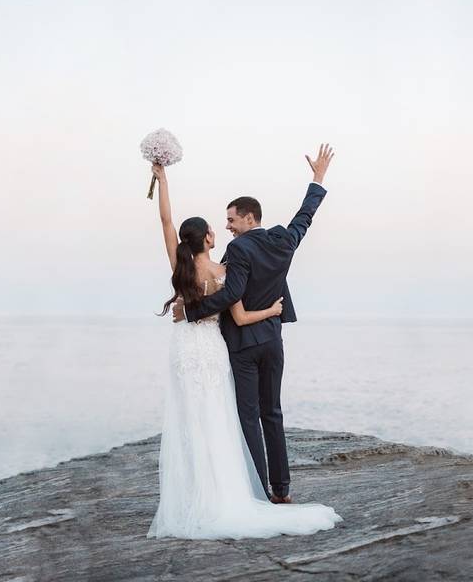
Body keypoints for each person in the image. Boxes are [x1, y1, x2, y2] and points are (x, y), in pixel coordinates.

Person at [146, 157, 340, 540]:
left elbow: (168, 226)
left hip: (214, 345)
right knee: (266, 413)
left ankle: (241, 489)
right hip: (260, 340)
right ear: (207, 238)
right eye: (221, 224)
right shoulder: (272, 245)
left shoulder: (220, 260)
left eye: (232, 219)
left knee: (229, 417)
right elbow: (305, 216)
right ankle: (278, 489)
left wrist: (191, 311)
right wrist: (317, 179)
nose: (228, 226)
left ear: (248, 219)